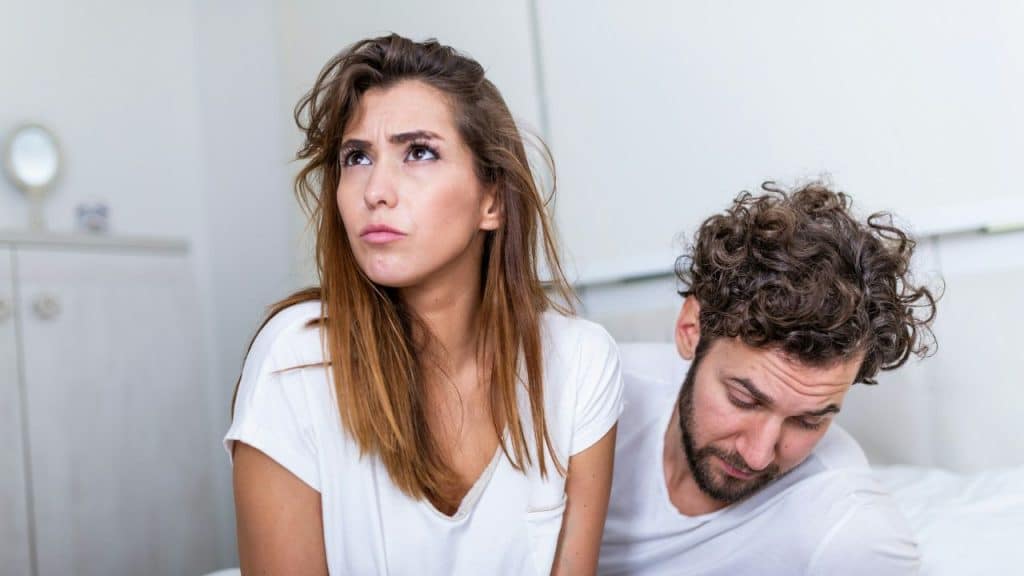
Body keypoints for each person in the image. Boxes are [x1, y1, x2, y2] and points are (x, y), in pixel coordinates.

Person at [225, 34, 622, 575]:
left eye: (419, 152)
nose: (375, 190)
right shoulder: (295, 360)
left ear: (491, 200)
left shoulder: (580, 362)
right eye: (357, 157)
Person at [599, 183, 937, 576]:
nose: (758, 455)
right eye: (744, 399)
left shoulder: (852, 536)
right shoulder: (589, 398)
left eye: (809, 420)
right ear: (691, 329)